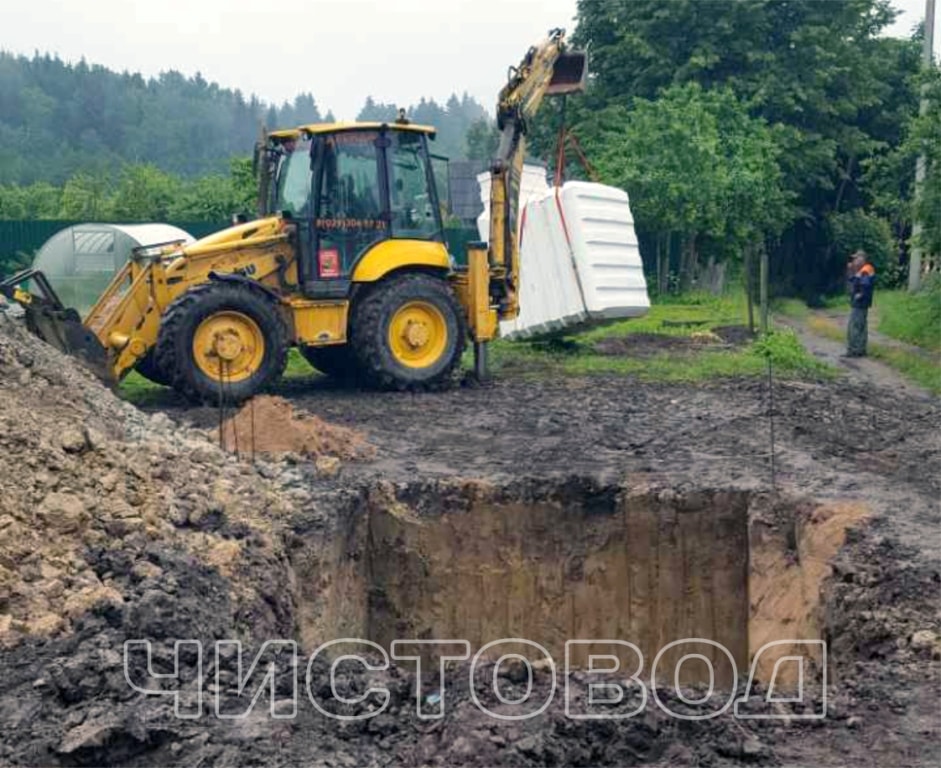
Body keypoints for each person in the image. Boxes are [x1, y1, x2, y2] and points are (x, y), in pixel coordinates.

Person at [846, 250, 875, 357]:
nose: (854, 261)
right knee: (861, 326)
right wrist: (850, 270)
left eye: (855, 259)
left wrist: (860, 295)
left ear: (862, 259)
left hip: (859, 303)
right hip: (863, 303)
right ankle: (861, 349)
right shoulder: (863, 269)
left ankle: (854, 350)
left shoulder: (865, 270)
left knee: (854, 326)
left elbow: (865, 284)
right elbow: (852, 280)